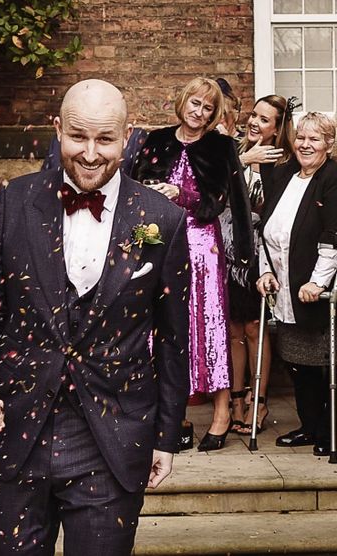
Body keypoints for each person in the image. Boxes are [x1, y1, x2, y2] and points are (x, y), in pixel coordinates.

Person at [0, 79, 190, 555]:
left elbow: (171, 337)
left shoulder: (162, 218)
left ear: (127, 137)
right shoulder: (14, 201)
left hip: (112, 435)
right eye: (78, 136)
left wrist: (166, 435)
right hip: (15, 429)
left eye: (105, 139)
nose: (90, 152)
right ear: (57, 129)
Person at [133, 77, 253, 452]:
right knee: (164, 329)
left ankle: (220, 415)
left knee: (210, 327)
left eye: (207, 107)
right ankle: (175, 418)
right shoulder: (156, 141)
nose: (199, 112)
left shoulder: (220, 147)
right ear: (182, 102)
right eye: (194, 103)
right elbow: (133, 191)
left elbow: (220, 202)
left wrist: (180, 194)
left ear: (214, 113)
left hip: (202, 247)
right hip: (159, 243)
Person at [257, 112, 337, 457]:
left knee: (325, 364)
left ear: (329, 145)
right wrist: (265, 272)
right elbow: (266, 231)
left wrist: (318, 282)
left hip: (316, 288)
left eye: (314, 139)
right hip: (285, 287)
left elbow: (331, 237)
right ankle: (310, 425)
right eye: (301, 137)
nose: (305, 144)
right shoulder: (285, 175)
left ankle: (331, 430)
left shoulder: (332, 178)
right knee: (297, 363)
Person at [226, 95, 294, 436]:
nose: (254, 122)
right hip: (227, 250)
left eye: (264, 120)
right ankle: (236, 400)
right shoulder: (234, 150)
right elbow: (212, 190)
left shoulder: (284, 163)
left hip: (261, 254)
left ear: (278, 128)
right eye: (253, 115)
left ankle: (259, 400)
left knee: (255, 326)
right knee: (233, 329)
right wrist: (242, 160)